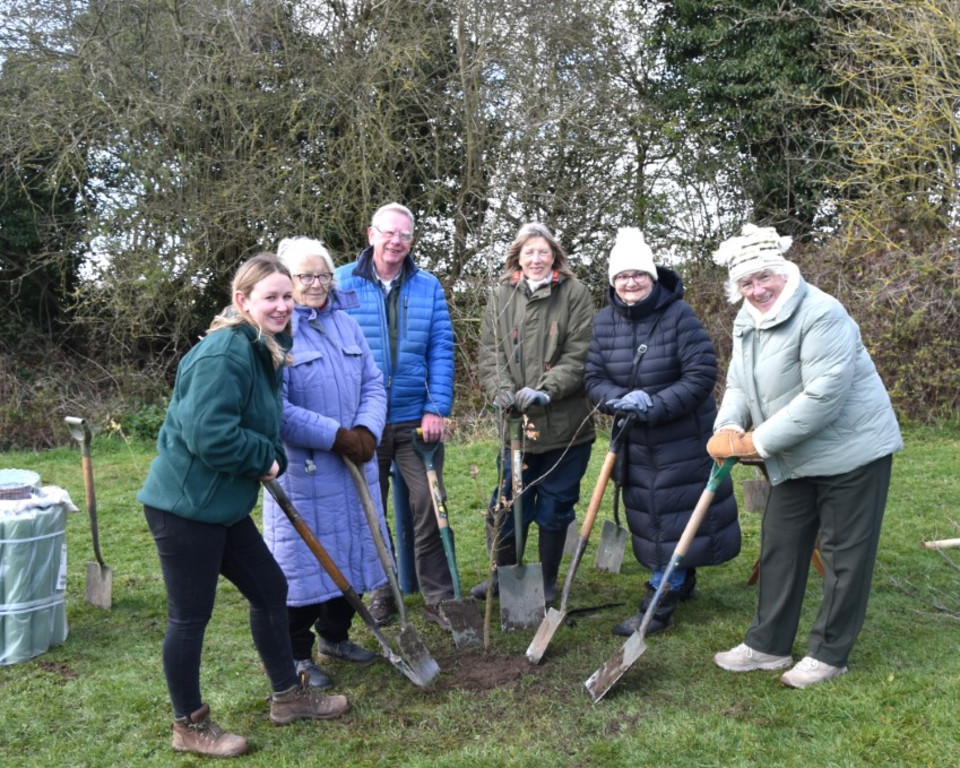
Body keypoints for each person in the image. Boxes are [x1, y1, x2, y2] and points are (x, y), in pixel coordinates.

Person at [137, 254, 349, 759]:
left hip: (222, 505)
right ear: (243, 301)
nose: (281, 306)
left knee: (270, 588)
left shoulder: (264, 350)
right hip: (186, 508)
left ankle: (287, 697)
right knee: (190, 617)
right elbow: (210, 436)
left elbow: (262, 426)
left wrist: (269, 451)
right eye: (269, 297)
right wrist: (267, 460)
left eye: (286, 297)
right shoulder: (223, 354)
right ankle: (188, 724)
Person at [708, 223, 902, 689]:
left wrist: (756, 443)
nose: (757, 290)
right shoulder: (746, 322)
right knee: (780, 546)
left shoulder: (822, 314)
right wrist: (727, 427)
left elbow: (823, 398)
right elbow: (739, 383)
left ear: (783, 273)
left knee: (844, 556)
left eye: (764, 278)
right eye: (746, 283)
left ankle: (829, 653)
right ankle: (767, 645)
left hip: (852, 454)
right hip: (794, 456)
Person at [584, 227, 740, 636]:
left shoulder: (678, 316)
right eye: (621, 276)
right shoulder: (603, 322)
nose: (630, 282)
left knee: (675, 513)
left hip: (681, 439)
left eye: (638, 274)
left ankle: (660, 597)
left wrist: (653, 404)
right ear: (612, 281)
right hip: (634, 441)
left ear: (653, 277)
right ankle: (678, 578)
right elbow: (593, 377)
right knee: (650, 516)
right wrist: (618, 400)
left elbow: (702, 373)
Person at [261, 237, 389, 689]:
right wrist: (336, 436)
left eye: (323, 275)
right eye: (305, 276)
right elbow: (277, 409)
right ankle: (296, 655)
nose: (316, 284)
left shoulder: (347, 325)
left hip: (354, 463)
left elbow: (374, 383)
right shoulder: (275, 333)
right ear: (287, 281)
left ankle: (335, 636)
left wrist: (367, 432)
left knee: (353, 553)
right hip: (307, 473)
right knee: (303, 565)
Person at [335, 203, 456, 628]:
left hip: (413, 419)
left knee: (429, 505)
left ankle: (439, 597)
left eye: (405, 235)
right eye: (389, 233)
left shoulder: (427, 286)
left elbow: (441, 348)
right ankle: (381, 589)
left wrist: (436, 407)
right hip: (362, 420)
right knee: (370, 510)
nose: (396, 242)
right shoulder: (340, 282)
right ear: (371, 234)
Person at [474, 222, 596, 603]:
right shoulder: (501, 296)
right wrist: (501, 390)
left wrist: (545, 390)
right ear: (518, 257)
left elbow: (580, 353)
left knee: (555, 505)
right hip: (516, 427)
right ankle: (503, 578)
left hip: (566, 427)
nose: (536, 259)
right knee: (507, 504)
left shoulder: (575, 294)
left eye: (543, 252)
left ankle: (545, 584)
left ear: (555, 256)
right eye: (529, 252)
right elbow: (491, 352)